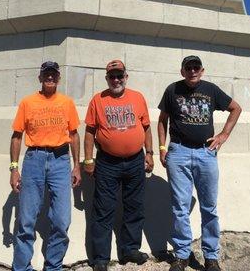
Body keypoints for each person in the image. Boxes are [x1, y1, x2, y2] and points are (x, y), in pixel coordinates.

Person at [158, 55, 242, 271]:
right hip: (178, 152)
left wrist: (223, 135)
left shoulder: (211, 90)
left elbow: (236, 108)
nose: (193, 71)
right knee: (180, 207)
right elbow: (162, 120)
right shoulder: (172, 90)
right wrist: (162, 147)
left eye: (196, 67)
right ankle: (182, 255)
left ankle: (211, 257)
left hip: (206, 153)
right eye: (189, 68)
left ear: (202, 70)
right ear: (182, 71)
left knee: (209, 207)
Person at [9, 61, 81, 271]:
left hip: (60, 160)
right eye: (46, 74)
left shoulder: (67, 103)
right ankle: (22, 267)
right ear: (40, 78)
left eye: (53, 74)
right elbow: (16, 136)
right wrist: (14, 168)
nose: (50, 77)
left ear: (58, 78)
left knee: (61, 219)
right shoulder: (27, 102)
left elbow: (74, 135)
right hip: (34, 160)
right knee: (26, 219)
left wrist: (76, 165)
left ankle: (54, 265)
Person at [83, 60, 154, 271]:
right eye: (112, 76)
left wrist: (149, 153)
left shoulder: (138, 97)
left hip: (135, 161)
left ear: (126, 77)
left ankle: (129, 249)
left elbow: (146, 127)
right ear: (106, 78)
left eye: (119, 75)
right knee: (104, 210)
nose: (116, 80)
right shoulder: (98, 100)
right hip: (107, 163)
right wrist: (88, 160)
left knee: (135, 207)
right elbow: (89, 132)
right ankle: (101, 258)